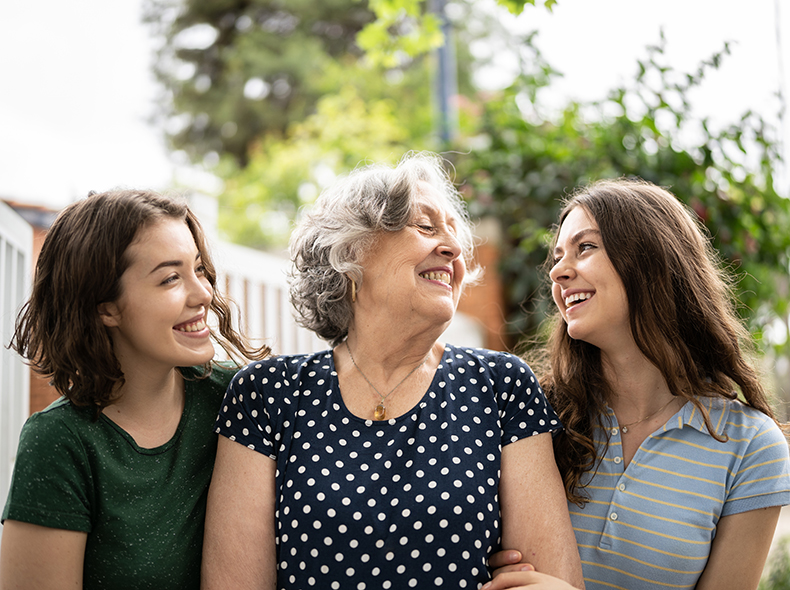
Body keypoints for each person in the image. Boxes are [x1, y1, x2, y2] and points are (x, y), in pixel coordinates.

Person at [201, 152, 585, 589]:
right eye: (425, 227)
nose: (454, 249)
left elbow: (549, 581)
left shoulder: (501, 386)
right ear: (350, 253)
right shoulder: (267, 394)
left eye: (454, 233)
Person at [486, 178, 790, 590]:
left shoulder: (750, 446)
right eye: (557, 257)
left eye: (585, 247)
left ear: (653, 260)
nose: (557, 271)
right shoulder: (532, 413)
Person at [0, 189, 268, 590]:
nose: (203, 293)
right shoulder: (58, 441)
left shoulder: (239, 400)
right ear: (105, 307)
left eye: (198, 269)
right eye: (170, 278)